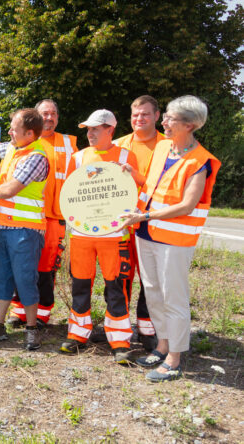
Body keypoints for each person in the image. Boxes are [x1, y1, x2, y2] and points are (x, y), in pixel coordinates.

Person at [121, 95, 220, 381]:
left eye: (170, 119)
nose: (163, 122)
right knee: (152, 291)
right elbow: (153, 185)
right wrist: (132, 175)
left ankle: (174, 359)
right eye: (164, 117)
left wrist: (145, 217)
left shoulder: (200, 161)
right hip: (147, 233)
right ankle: (162, 346)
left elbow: (187, 205)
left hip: (174, 240)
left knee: (173, 297)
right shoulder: (164, 147)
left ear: (189, 125)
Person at [0, 100, 78, 327]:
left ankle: (41, 314)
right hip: (19, 219)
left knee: (45, 268)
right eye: (45, 113)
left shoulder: (66, 143)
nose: (49, 117)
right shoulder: (16, 146)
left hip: (52, 215)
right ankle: (20, 313)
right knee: (20, 269)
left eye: (54, 113)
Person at [59, 110, 144, 364]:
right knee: (80, 285)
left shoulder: (127, 156)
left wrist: (133, 174)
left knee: (116, 287)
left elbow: (140, 187)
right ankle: (77, 335)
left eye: (96, 129)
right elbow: (70, 193)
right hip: (82, 234)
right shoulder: (78, 157)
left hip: (114, 234)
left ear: (111, 130)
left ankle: (119, 341)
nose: (90, 133)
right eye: (88, 129)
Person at [0, 108, 49, 350]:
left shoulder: (37, 157)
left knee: (25, 279)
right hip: (5, 227)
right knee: (1, 277)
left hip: (26, 231)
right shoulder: (14, 150)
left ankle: (31, 328)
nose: (9, 132)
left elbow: (9, 190)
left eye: (14, 129)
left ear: (29, 133)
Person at [113, 95, 167, 351]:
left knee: (150, 279)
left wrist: (136, 175)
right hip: (122, 222)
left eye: (145, 114)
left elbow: (166, 186)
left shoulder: (168, 146)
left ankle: (147, 328)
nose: (139, 119)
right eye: (135, 115)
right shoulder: (119, 144)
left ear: (157, 116)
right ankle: (120, 328)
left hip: (151, 222)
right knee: (121, 275)